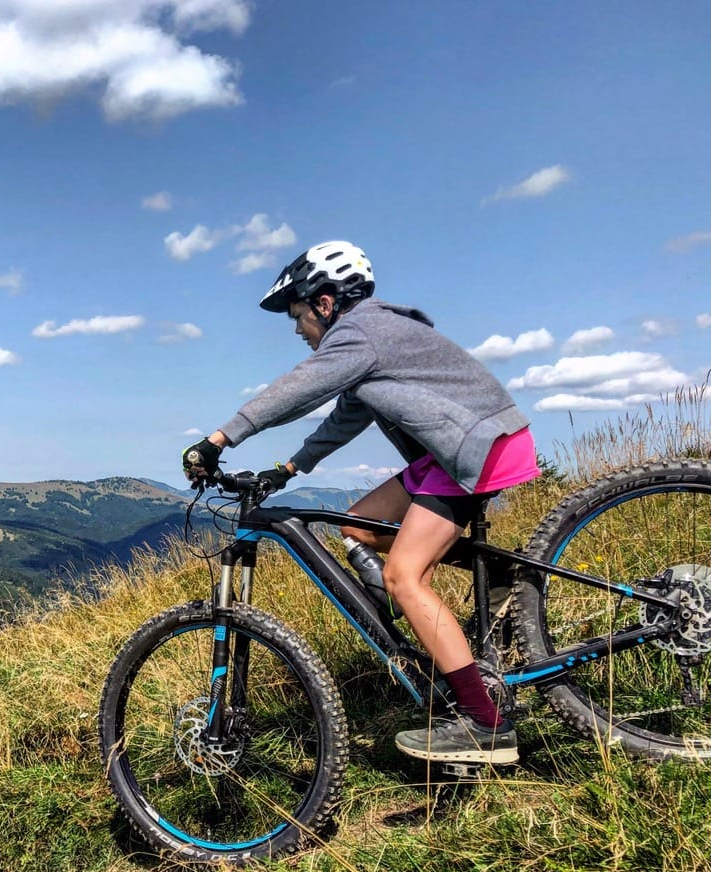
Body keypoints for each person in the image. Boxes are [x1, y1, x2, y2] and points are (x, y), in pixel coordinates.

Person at [182, 240, 540, 765]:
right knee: (358, 526)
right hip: (453, 452)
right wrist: (288, 469)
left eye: (298, 316)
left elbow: (300, 389)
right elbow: (346, 418)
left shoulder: (360, 331)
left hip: (474, 450)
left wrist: (218, 440)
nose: (298, 330)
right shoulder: (374, 338)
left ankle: (484, 724)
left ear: (325, 303)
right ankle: (495, 570)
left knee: (403, 576)